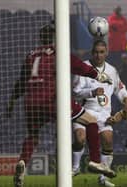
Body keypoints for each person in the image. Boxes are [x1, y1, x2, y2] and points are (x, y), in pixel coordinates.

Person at [7, 21, 115, 187]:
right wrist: (98, 76)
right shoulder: (59, 52)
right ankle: (94, 161)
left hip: (31, 102)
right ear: (56, 37)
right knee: (91, 121)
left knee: (33, 136)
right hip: (53, 99)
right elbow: (80, 67)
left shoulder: (31, 55)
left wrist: (12, 102)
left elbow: (21, 82)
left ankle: (22, 161)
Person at [72, 40, 127, 187]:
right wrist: (91, 92)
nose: (98, 55)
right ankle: (75, 168)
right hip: (85, 112)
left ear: (107, 53)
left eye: (101, 52)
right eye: (96, 52)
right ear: (92, 53)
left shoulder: (112, 70)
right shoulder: (83, 68)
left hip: (104, 114)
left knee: (108, 139)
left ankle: (103, 178)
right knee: (80, 138)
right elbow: (75, 92)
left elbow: (120, 89)